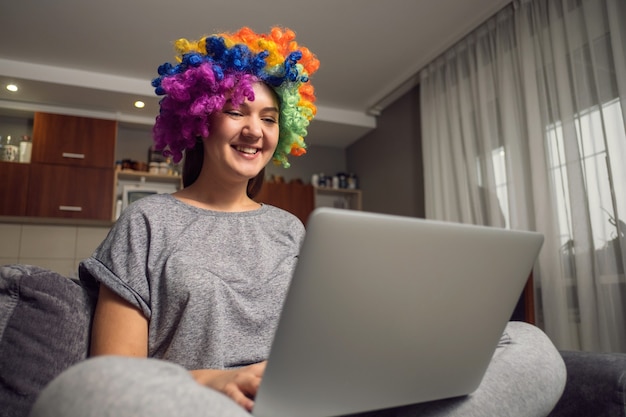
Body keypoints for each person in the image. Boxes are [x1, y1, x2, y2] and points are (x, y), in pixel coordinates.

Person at [29, 27, 566, 417]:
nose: (254, 130)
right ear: (200, 118)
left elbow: (331, 333)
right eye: (237, 111)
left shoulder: (291, 228)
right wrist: (217, 381)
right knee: (89, 397)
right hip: (209, 403)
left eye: (268, 118)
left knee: (530, 345)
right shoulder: (146, 221)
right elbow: (113, 371)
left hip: (316, 401)